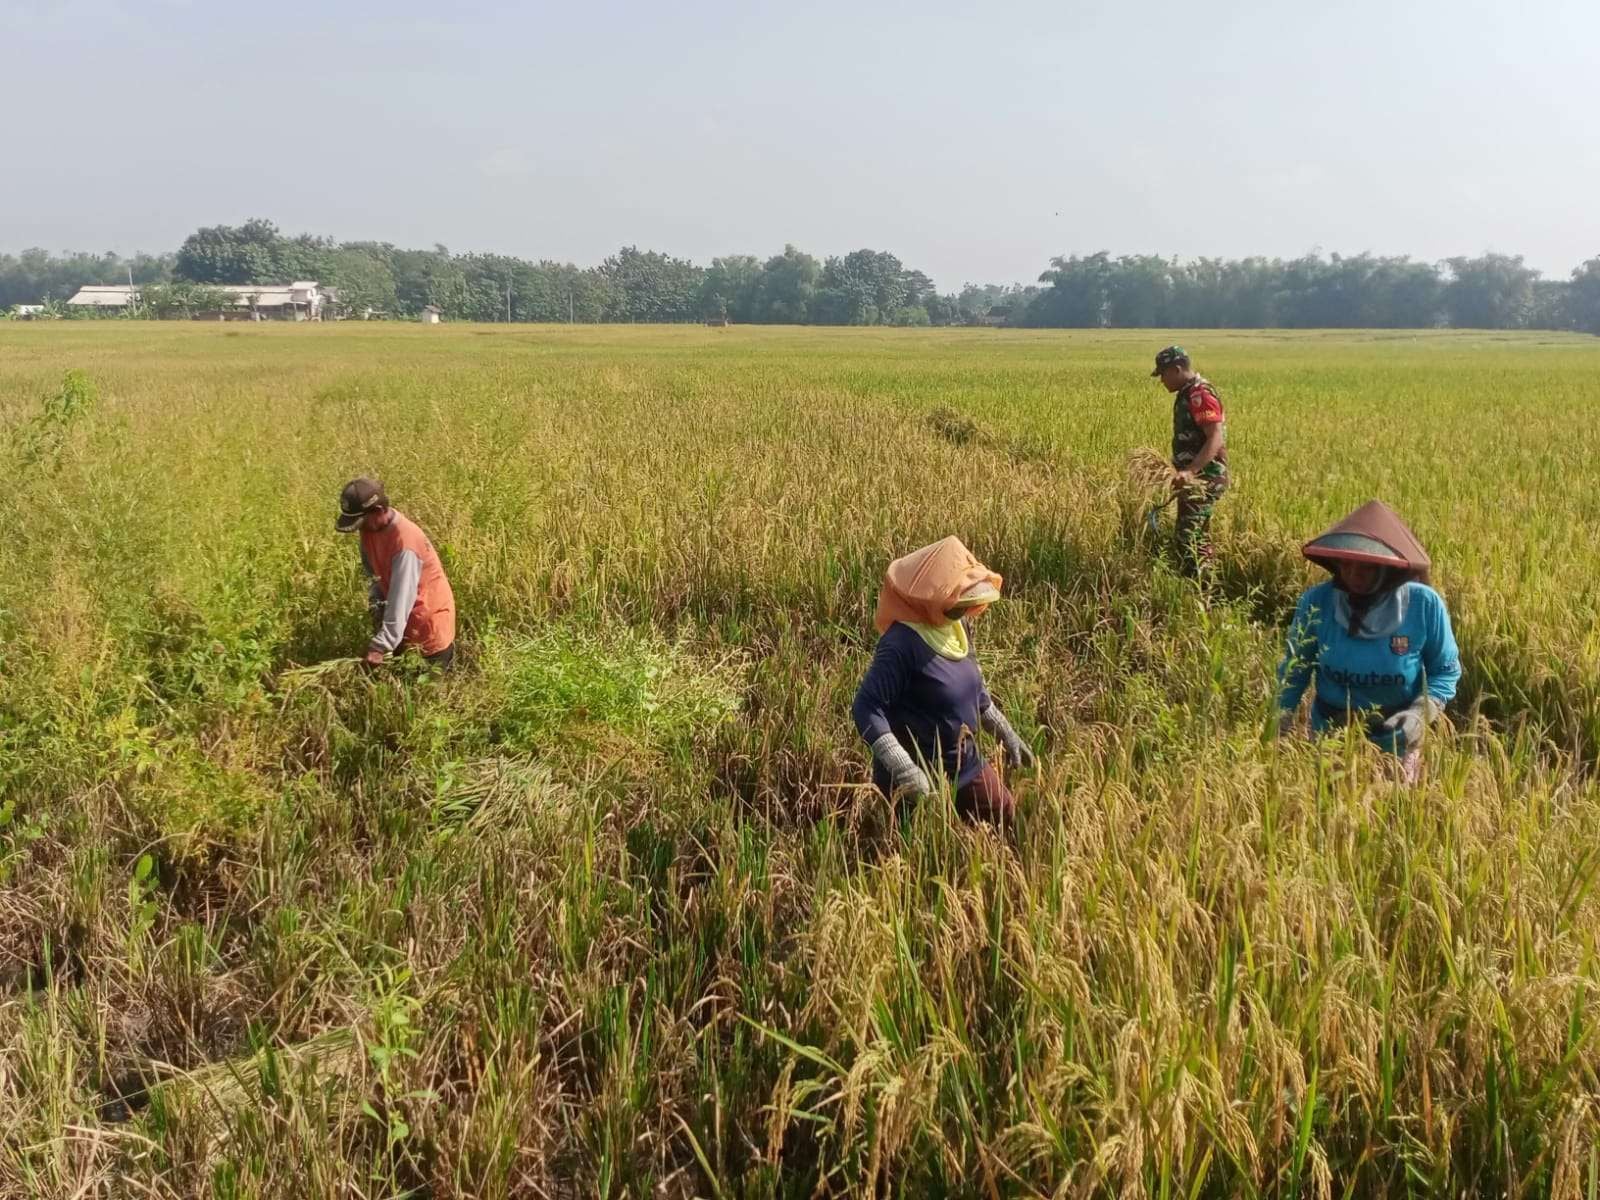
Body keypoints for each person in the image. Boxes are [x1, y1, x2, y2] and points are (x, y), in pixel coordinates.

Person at [851, 536, 1035, 826]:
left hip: (964, 763)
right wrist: (906, 771)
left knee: (1005, 817)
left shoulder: (958, 627)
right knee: (920, 859)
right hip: (917, 780)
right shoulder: (901, 643)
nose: (964, 610)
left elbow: (975, 692)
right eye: (958, 602)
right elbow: (866, 708)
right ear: (933, 597)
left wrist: (1005, 732)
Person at [1275, 500, 1461, 782]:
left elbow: (1445, 670)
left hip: (1396, 736)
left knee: (1394, 813)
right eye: (1347, 565)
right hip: (1331, 732)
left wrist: (1420, 714)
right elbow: (1296, 666)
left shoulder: (1423, 605)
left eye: (1366, 567)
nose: (1354, 576)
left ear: (1387, 569)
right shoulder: (1318, 602)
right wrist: (1282, 713)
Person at [335, 477, 457, 670]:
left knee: (428, 695)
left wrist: (381, 644)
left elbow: (402, 597)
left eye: (362, 523)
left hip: (428, 627)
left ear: (378, 511)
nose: (361, 530)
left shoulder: (405, 545)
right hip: (404, 627)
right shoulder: (371, 530)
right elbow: (373, 575)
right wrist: (377, 606)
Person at [1151, 345, 1229, 576]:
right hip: (1195, 480)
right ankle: (1204, 589)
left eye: (1163, 374)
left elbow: (1215, 437)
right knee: (1197, 536)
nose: (1162, 380)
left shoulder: (1199, 394)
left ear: (1176, 369)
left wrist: (1191, 472)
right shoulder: (1187, 393)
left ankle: (1200, 590)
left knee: (1188, 539)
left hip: (1205, 479)